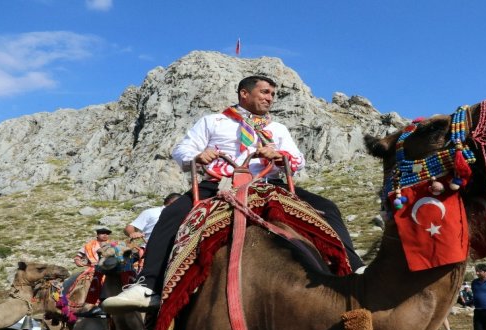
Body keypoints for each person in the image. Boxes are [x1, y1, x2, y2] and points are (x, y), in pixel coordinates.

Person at [103, 75, 364, 313]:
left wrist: (279, 154)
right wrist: (198, 155)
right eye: (264, 92)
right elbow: (182, 150)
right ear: (244, 94)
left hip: (268, 183)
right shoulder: (213, 121)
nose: (269, 98)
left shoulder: (278, 129)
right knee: (172, 214)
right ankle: (149, 286)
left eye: (272, 94)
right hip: (220, 183)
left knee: (327, 207)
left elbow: (298, 160)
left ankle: (354, 266)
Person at [72, 227, 112, 317]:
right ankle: (81, 304)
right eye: (102, 233)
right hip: (93, 268)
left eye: (107, 233)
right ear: (97, 235)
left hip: (110, 268)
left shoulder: (113, 245)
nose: (105, 235)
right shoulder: (88, 246)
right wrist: (77, 261)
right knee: (81, 280)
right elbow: (78, 257)